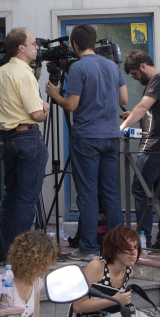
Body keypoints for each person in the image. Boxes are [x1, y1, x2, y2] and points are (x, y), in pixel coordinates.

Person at [46, 24, 128, 260]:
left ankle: (90, 248)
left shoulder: (78, 68)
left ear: (75, 44)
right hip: (111, 135)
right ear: (93, 41)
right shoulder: (112, 66)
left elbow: (71, 105)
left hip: (86, 137)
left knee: (88, 193)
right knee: (111, 193)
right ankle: (117, 247)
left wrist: (55, 95)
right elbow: (124, 98)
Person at [0, 28, 49, 260]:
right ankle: (21, 256)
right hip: (27, 137)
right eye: (34, 43)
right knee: (26, 200)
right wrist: (44, 108)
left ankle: (5, 251)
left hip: (7, 138)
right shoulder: (24, 73)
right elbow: (35, 114)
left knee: (10, 197)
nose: (38, 47)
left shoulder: (1, 72)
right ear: (21, 48)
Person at [118, 50, 160, 250]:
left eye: (135, 74)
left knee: (141, 189)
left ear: (143, 66)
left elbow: (144, 107)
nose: (136, 79)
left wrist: (123, 127)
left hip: (154, 146)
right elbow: (156, 113)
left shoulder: (159, 79)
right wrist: (135, 116)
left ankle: (143, 240)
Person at [70, 225, 140, 317]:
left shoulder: (128, 271)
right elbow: (77, 306)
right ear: (114, 248)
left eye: (135, 247)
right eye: (127, 248)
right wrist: (115, 300)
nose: (133, 252)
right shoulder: (97, 266)